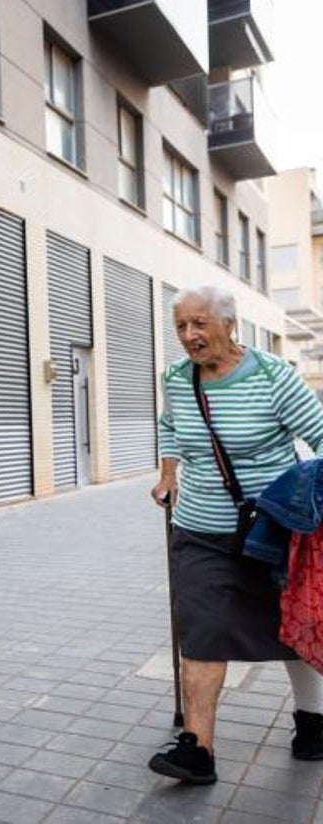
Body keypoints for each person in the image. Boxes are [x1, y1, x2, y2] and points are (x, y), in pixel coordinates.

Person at [149, 284, 323, 785]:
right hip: (201, 532)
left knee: (291, 624)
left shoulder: (273, 377)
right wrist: (168, 474)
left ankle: (312, 721)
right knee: (202, 633)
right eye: (181, 326)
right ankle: (197, 750)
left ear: (229, 323)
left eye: (199, 324)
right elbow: (169, 426)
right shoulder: (179, 379)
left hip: (273, 529)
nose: (189, 336)